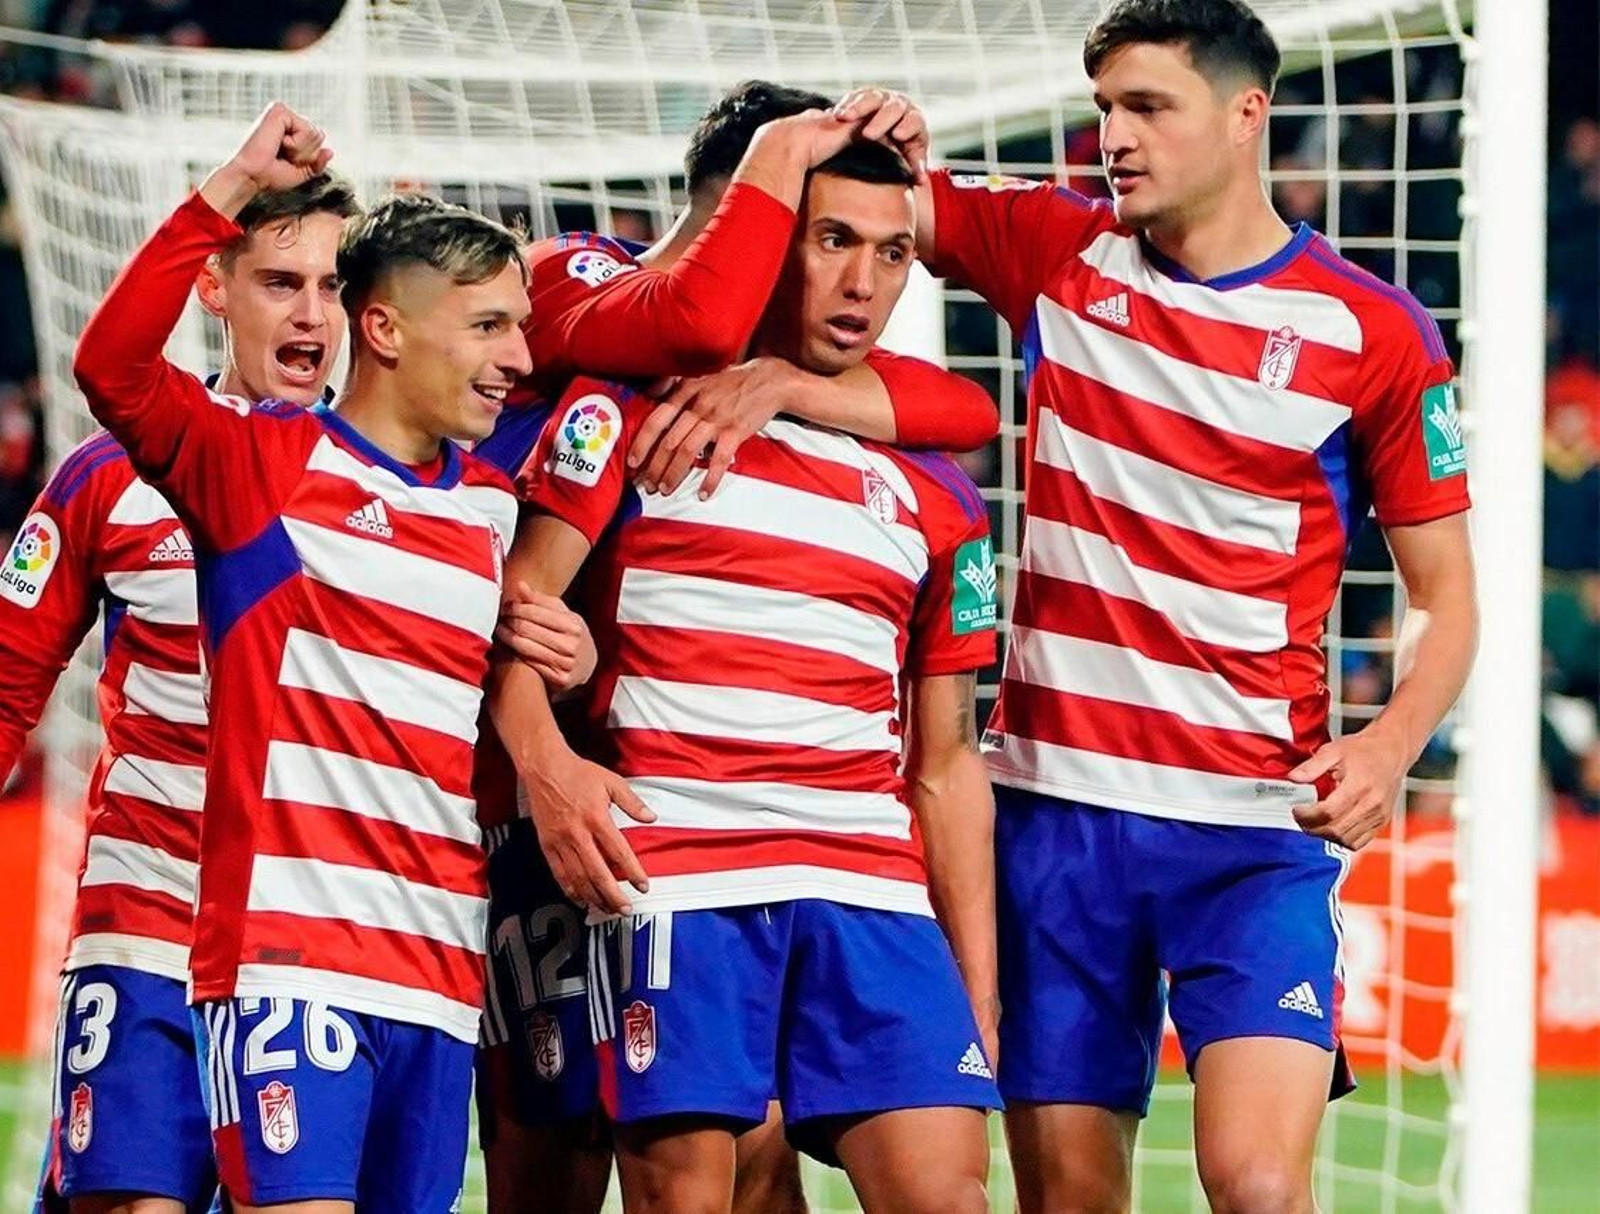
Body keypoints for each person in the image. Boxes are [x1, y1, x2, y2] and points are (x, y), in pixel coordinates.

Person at [838, 1, 1479, 1208]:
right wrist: (864, 141)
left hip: (1252, 827)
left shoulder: (1373, 333)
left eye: (1146, 108)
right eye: (1101, 111)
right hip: (1051, 823)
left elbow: (1448, 598)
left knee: (1257, 1184)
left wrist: (1391, 742)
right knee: (1068, 1199)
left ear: (1247, 115)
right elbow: (847, 211)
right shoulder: (1054, 249)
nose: (1112, 139)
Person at [472, 80, 1000, 1214]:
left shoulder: (930, 482)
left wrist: (981, 992)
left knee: (946, 1191)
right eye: (829, 240)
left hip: (864, 870)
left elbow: (949, 760)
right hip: (655, 859)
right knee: (565, 1173)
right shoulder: (618, 379)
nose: (864, 281)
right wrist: (548, 764)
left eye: (894, 252)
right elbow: (516, 617)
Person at [73, 101, 530, 1213]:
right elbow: (114, 366)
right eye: (486, 327)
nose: (518, 355)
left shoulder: (491, 507)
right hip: (281, 954)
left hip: (435, 965)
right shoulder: (257, 466)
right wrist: (226, 186)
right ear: (395, 331)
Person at [1, 170, 356, 1214]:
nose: (311, 314)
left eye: (333, 286)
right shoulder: (107, 477)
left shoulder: (401, 486)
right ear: (212, 285)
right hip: (144, 921)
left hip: (318, 940)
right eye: (282, 280)